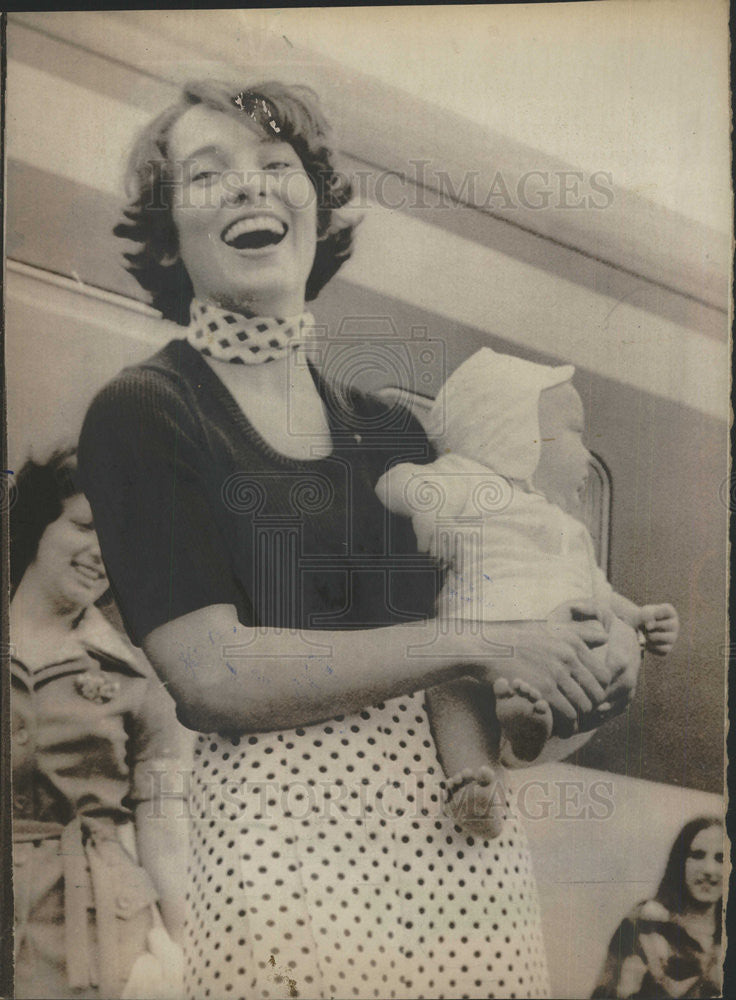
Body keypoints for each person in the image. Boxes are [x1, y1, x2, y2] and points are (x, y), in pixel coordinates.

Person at [77, 79, 642, 999]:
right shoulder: (146, 410)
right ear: (168, 230)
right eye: (208, 175)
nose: (251, 188)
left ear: (314, 203)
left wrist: (577, 686)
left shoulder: (394, 430)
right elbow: (213, 677)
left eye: (275, 166)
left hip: (464, 847)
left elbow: (487, 681)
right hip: (286, 849)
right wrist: (480, 640)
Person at [375, 347, 679, 837]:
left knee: (611, 630)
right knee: (448, 683)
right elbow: (397, 485)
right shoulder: (469, 480)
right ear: (511, 433)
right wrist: (422, 499)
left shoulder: (568, 528)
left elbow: (598, 590)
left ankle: (523, 729)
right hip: (488, 646)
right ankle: (481, 786)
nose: (586, 452)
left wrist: (640, 618)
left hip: (565, 659)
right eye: (577, 432)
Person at [10, 449, 191, 999]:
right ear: (39, 523)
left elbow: (164, 824)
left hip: (98, 929)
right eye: (85, 525)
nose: (100, 552)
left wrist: (187, 952)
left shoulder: (142, 678)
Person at [592, 816, 723, 998]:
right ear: (680, 861)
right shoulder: (645, 925)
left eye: (721, 858)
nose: (709, 869)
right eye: (697, 855)